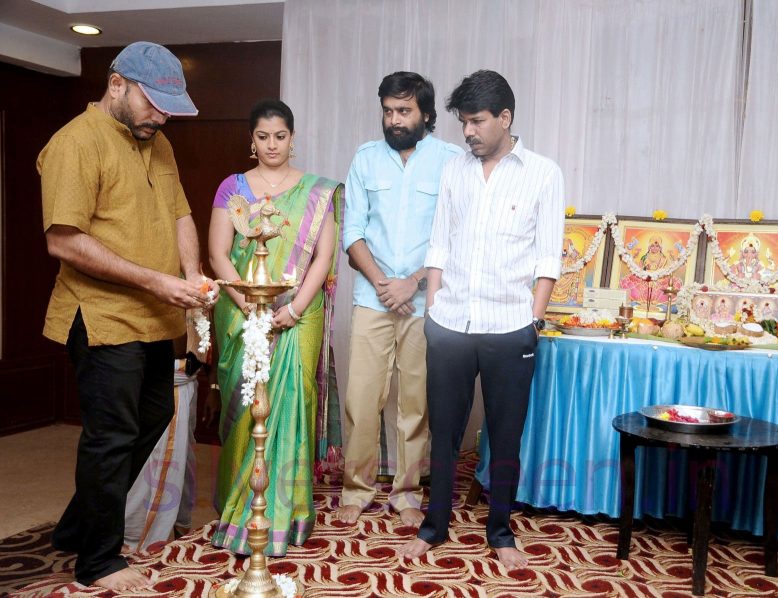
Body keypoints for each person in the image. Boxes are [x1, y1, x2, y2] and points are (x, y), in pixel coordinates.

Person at [38, 41, 217, 591]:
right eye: (153, 103)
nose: (160, 117)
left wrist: (190, 275)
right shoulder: (75, 143)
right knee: (112, 436)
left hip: (155, 317)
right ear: (117, 84)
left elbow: (181, 211)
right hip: (102, 316)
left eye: (168, 108)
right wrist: (157, 281)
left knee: (154, 417)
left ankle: (76, 524)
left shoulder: (157, 143)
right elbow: (65, 242)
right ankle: (99, 561)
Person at [399, 70, 564, 570]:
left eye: (476, 121)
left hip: (510, 327)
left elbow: (547, 257)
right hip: (449, 324)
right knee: (443, 431)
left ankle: (500, 532)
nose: (467, 132)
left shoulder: (543, 173)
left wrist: (532, 321)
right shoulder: (456, 170)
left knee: (505, 434)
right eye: (463, 123)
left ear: (505, 118)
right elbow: (440, 243)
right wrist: (432, 312)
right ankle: (435, 527)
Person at [208, 99, 343, 556]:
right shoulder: (233, 187)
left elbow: (323, 256)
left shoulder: (315, 191)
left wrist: (296, 309)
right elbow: (219, 255)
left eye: (280, 136)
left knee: (294, 401)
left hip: (297, 313)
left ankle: (288, 514)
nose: (271, 145)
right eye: (263, 137)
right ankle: (236, 509)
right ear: (252, 139)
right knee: (244, 404)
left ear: (292, 138)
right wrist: (250, 307)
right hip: (243, 311)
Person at [338, 72, 461, 527]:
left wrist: (412, 283)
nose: (394, 120)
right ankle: (357, 488)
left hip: (424, 301)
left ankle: (406, 492)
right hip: (373, 298)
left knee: (416, 402)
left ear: (426, 115)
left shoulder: (451, 161)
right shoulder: (366, 159)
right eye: (388, 111)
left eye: (404, 111)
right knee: (362, 398)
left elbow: (452, 235)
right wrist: (385, 283)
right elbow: (353, 232)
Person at [123, 315, 208, 552]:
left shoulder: (196, 280)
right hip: (159, 379)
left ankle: (180, 527)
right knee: (153, 464)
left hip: (188, 375)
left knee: (183, 461)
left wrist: (214, 385)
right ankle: (134, 541)